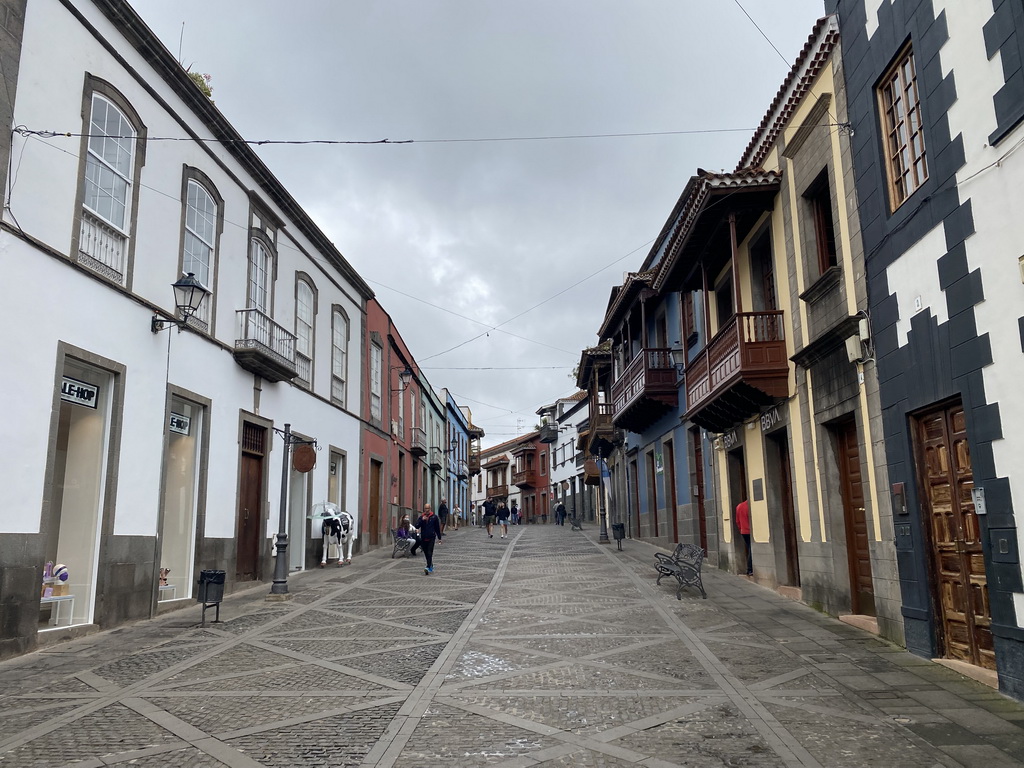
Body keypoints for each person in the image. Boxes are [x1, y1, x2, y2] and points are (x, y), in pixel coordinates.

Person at [414, 503, 443, 575]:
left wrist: (439, 538)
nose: (426, 510)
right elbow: (416, 526)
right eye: (425, 508)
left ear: (430, 509)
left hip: (431, 537)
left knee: (430, 552)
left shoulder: (434, 517)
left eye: (428, 508)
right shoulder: (421, 517)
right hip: (423, 537)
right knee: (426, 553)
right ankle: (430, 565)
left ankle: (427, 566)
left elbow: (437, 528)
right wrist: (422, 520)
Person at [735, 496, 752, 576]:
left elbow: (737, 521)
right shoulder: (750, 506)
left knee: (749, 548)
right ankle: (750, 569)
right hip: (750, 531)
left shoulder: (739, 506)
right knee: (751, 550)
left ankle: (750, 569)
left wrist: (741, 529)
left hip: (743, 531)